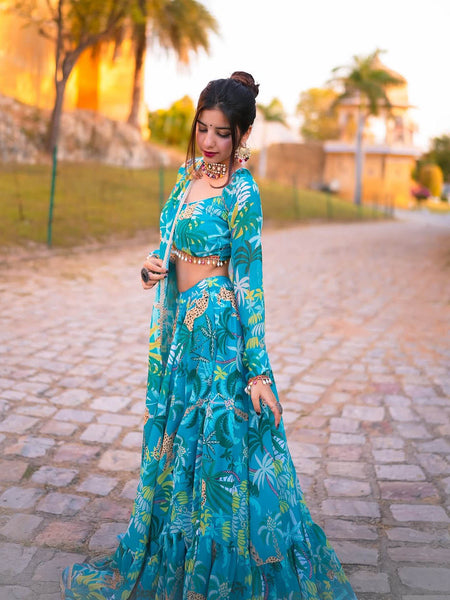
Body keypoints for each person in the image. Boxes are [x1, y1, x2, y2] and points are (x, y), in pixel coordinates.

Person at [61, 72, 357, 600]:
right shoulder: (187, 177)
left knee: (220, 454)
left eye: (222, 132)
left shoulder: (243, 192)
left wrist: (258, 371)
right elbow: (170, 244)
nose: (209, 141)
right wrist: (153, 266)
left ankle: (224, 570)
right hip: (185, 340)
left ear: (243, 135)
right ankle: (179, 554)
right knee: (183, 447)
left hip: (221, 337)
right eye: (203, 128)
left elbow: (249, 282)